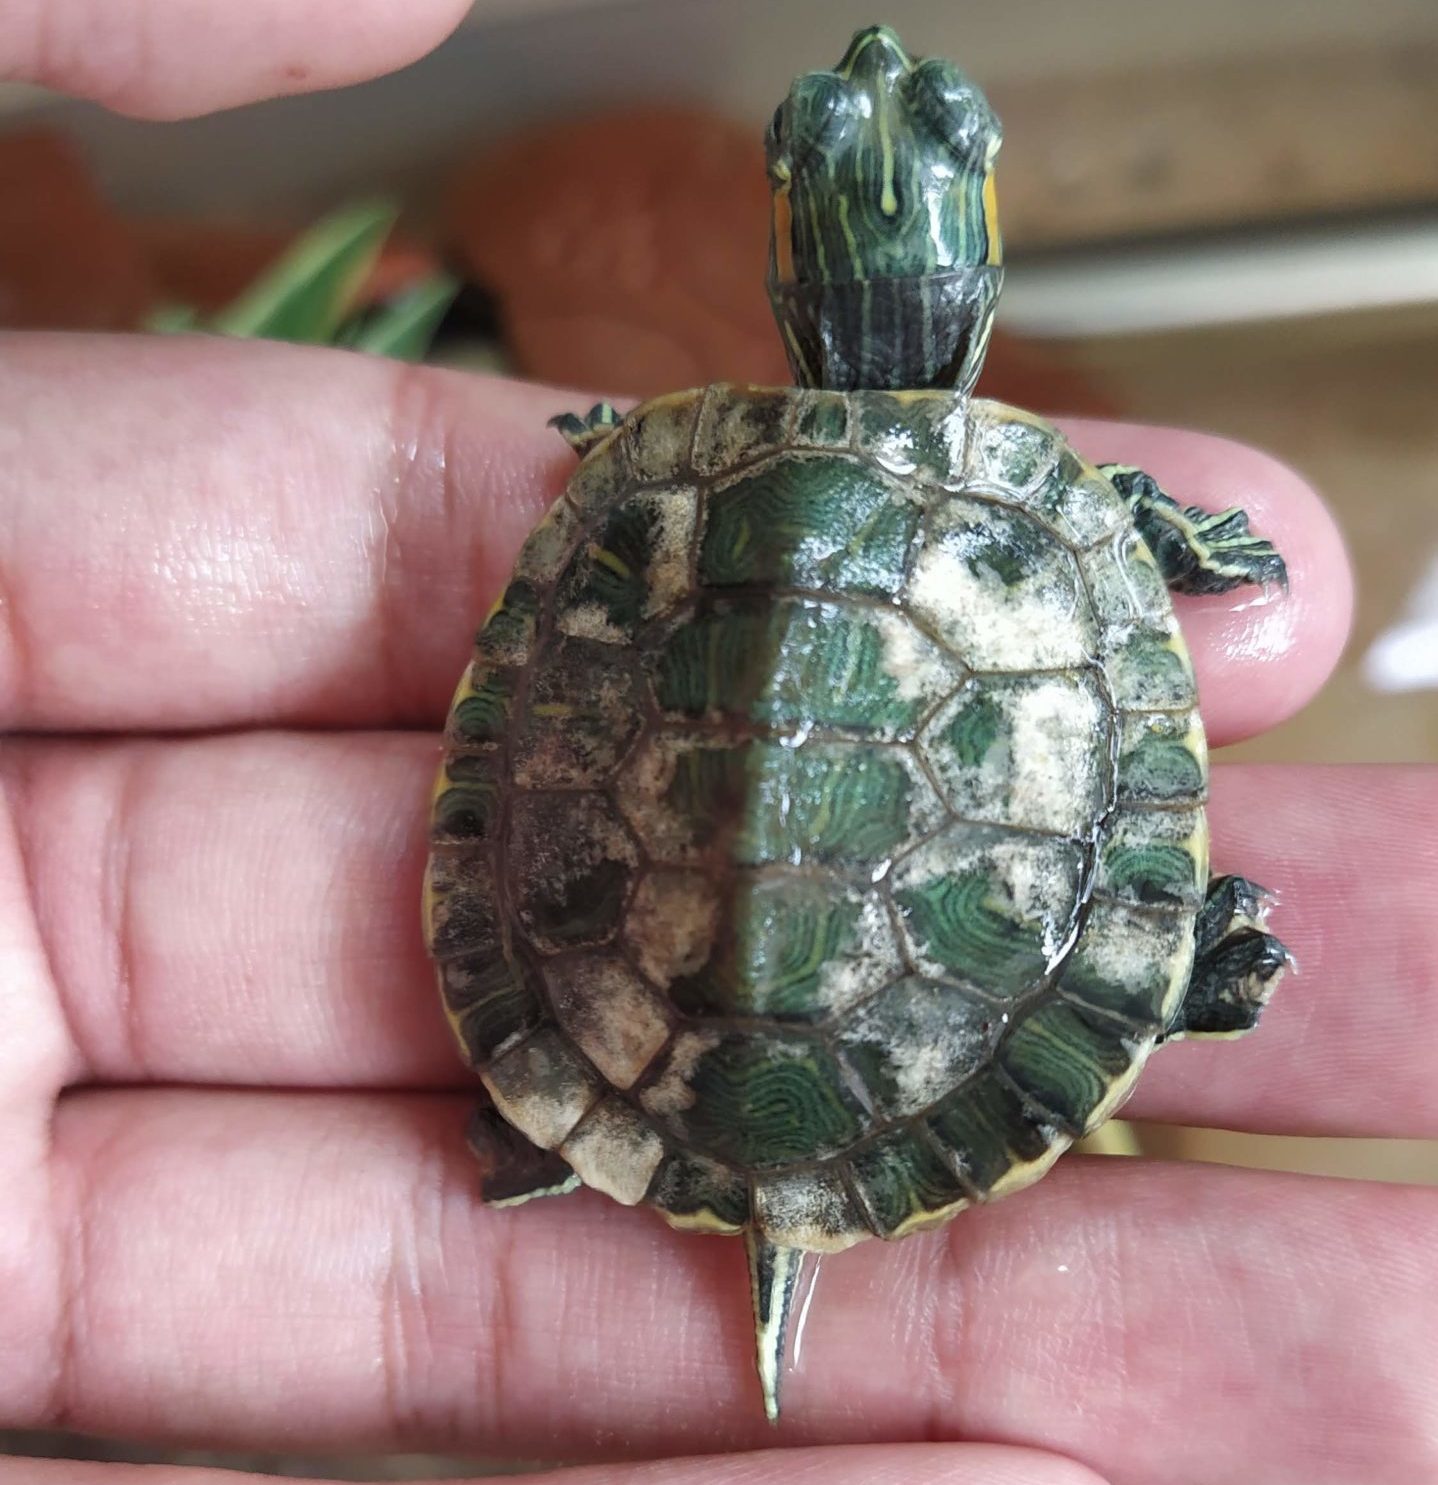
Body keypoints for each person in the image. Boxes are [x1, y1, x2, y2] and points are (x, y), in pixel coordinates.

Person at [0, 7, 1433, 1484]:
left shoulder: (660, 473)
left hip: (634, 1032)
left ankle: (577, 1118)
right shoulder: (1044, 506)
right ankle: (1150, 980)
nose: (876, 50)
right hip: (884, 1032)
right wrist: (1175, 546)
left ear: (787, 252)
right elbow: (1140, 601)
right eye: (828, 133)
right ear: (980, 252)